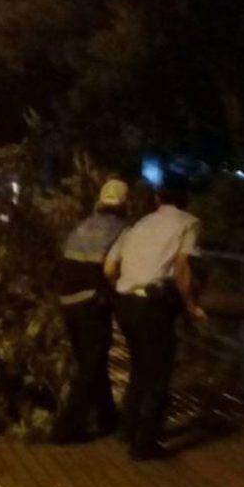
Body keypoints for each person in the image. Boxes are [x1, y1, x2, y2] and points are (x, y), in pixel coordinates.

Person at [104, 176, 206, 460]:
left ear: (158, 200)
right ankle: (145, 444)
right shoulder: (188, 223)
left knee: (139, 368)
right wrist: (190, 305)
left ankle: (128, 429)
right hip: (152, 306)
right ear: (186, 201)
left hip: (125, 303)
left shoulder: (138, 225)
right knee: (158, 375)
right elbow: (182, 268)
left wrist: (124, 289)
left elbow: (109, 269)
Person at [53, 179, 129, 443]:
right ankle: (67, 428)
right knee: (90, 366)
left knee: (91, 364)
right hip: (91, 302)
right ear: (124, 204)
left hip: (67, 301)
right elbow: (113, 270)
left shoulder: (83, 225)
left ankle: (108, 417)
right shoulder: (120, 230)